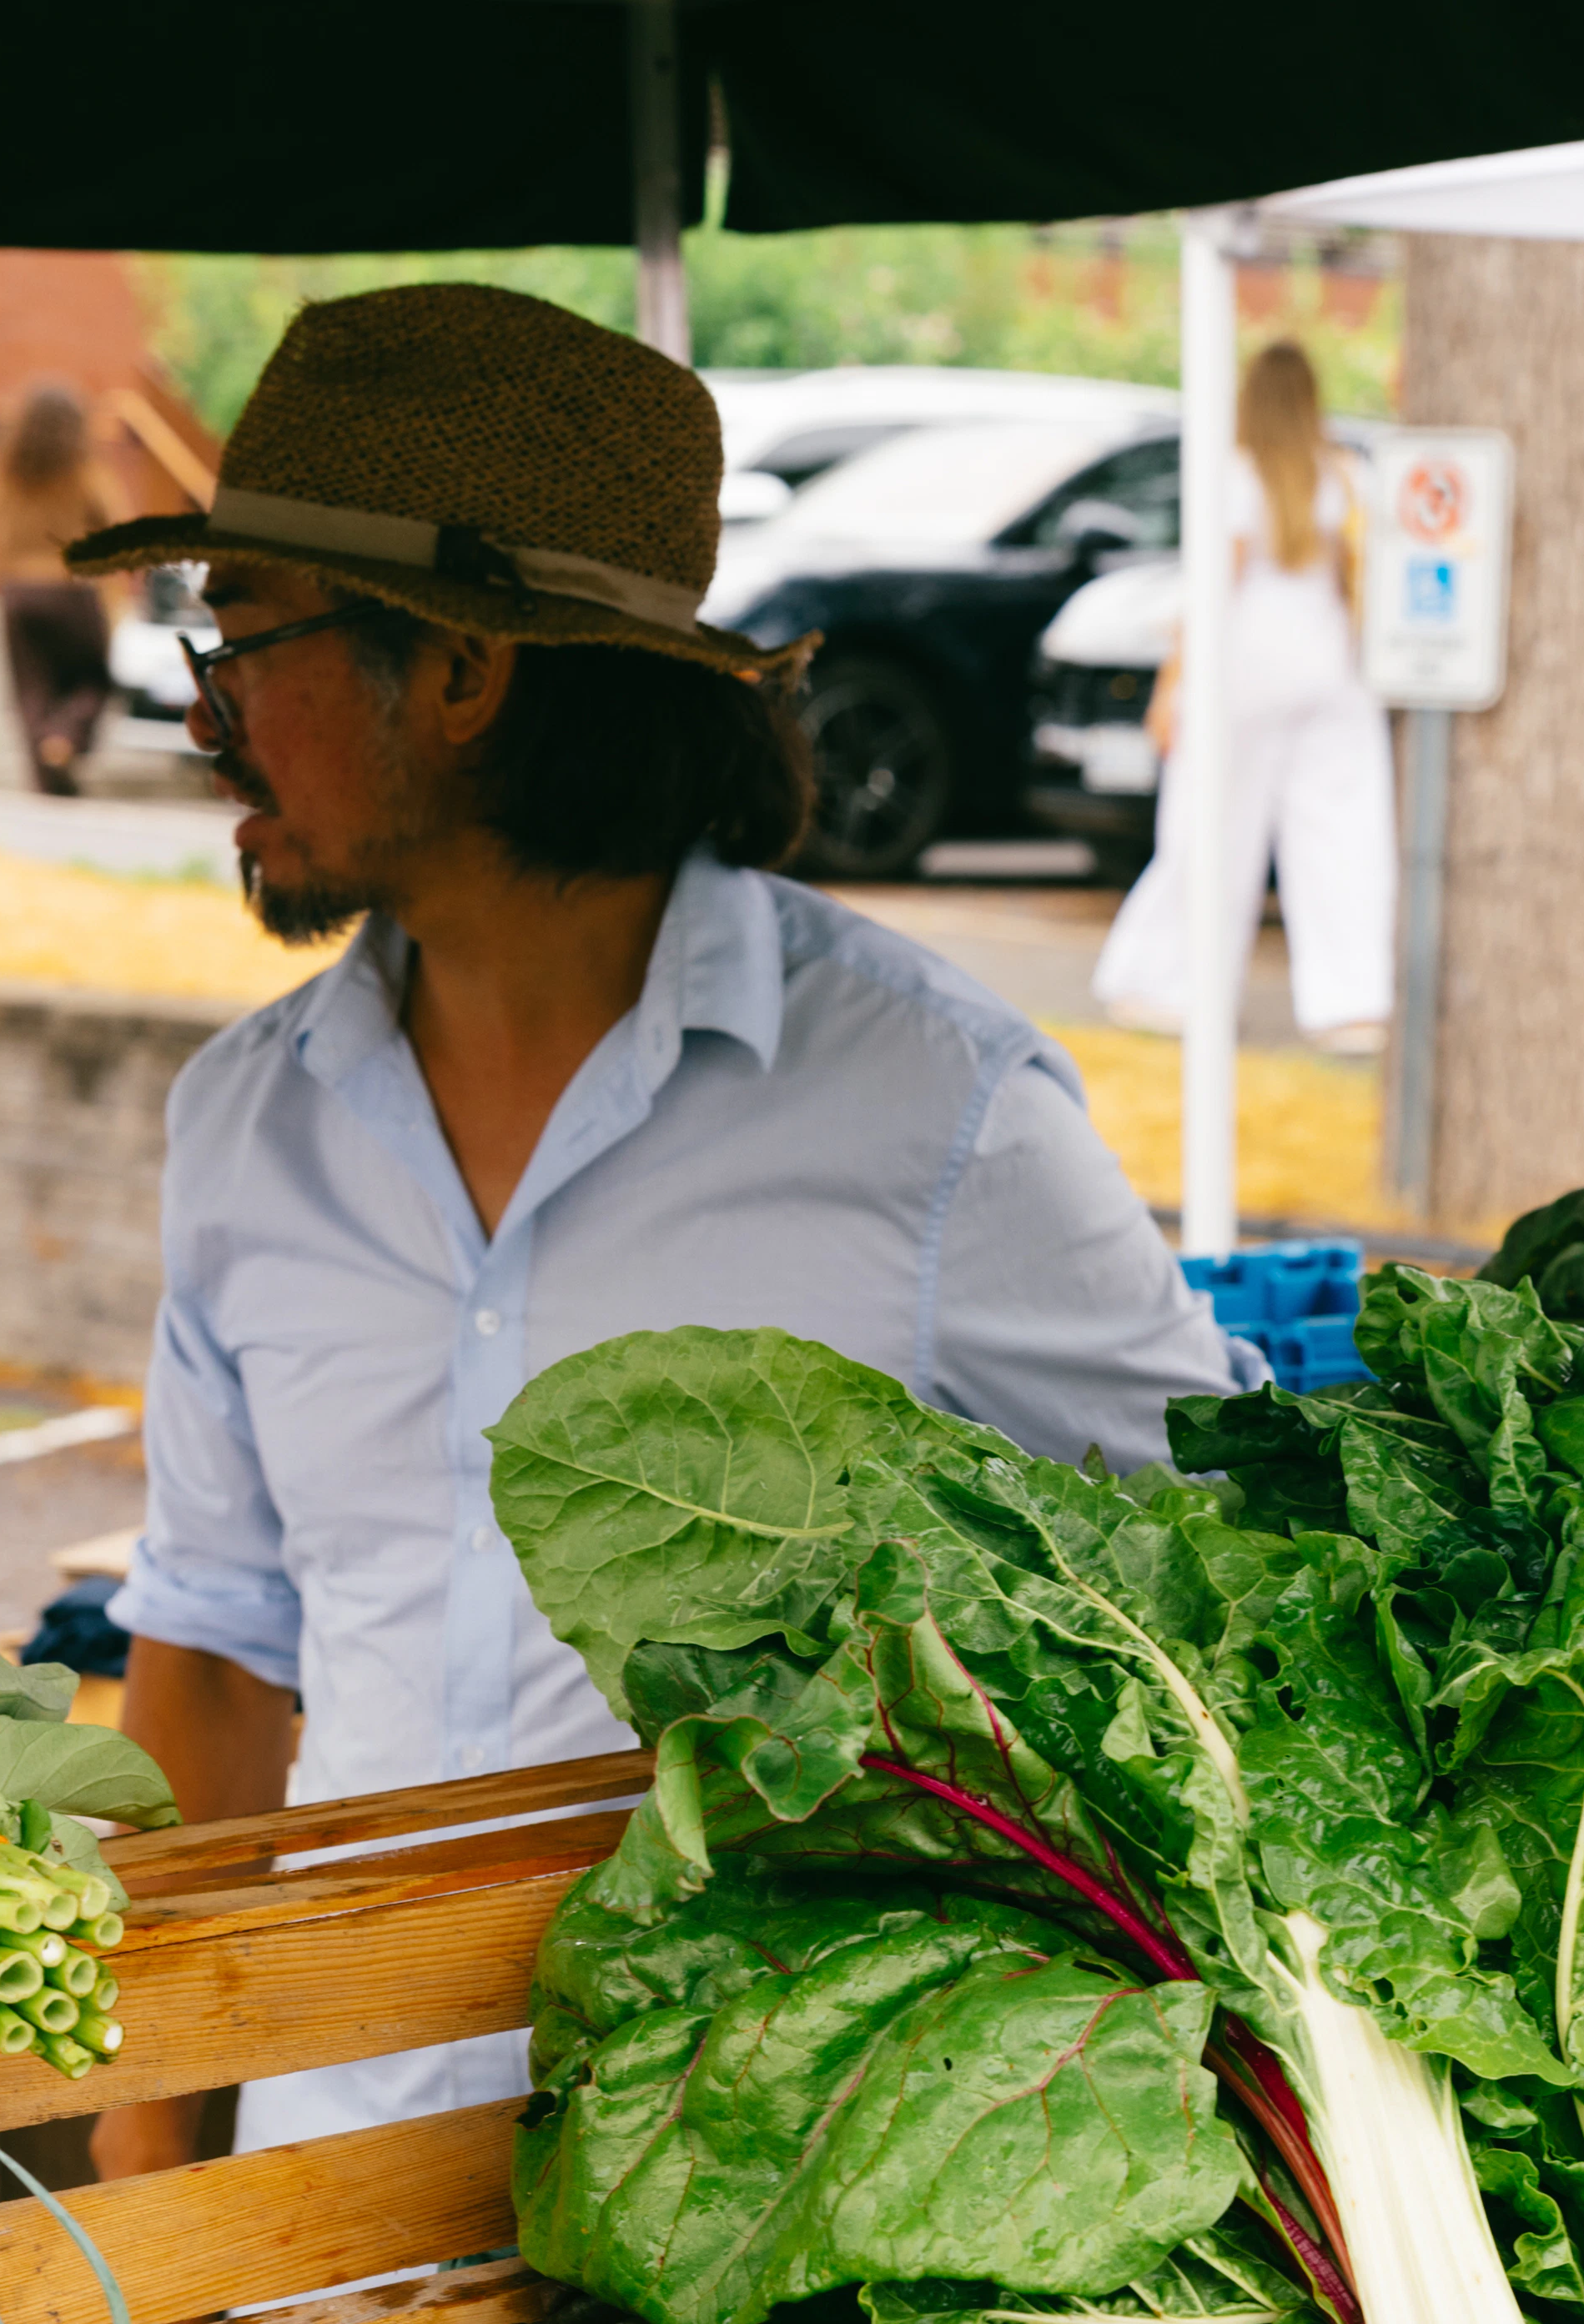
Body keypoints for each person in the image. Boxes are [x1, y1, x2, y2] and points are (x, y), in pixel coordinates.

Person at [66, 283, 1259, 2178]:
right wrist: (153, 2201)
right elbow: (211, 1655)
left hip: (750, 2229)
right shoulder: (247, 1126)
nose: (208, 715)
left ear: (460, 671)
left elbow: (1220, 1593)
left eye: (247, 634)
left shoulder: (935, 1113)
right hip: (321, 2182)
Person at [1094, 340, 1395, 1056]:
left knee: (1209, 833)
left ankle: (1171, 988)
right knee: (1342, 839)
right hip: (1329, 667)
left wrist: (1171, 688)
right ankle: (1350, 1004)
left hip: (1243, 672)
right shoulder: (1346, 476)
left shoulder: (1235, 476)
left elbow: (1212, 591)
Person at [0, 387, 119, 796]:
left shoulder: (5, 477)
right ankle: (63, 738)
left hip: (16, 593)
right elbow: (116, 529)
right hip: (69, 589)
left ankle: (47, 780)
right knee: (92, 679)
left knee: (31, 690)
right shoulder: (84, 475)